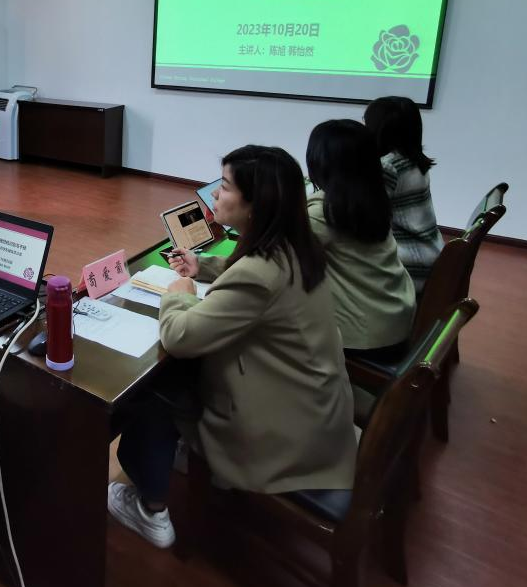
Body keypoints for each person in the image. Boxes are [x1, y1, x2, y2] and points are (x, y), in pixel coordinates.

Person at [108, 146, 356, 549]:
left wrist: (179, 292)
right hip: (315, 413)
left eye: (223, 187)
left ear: (256, 205)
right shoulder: (297, 247)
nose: (214, 195)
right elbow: (250, 271)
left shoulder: (259, 275)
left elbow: (180, 336)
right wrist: (203, 266)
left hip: (280, 437)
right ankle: (172, 453)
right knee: (184, 371)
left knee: (156, 388)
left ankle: (150, 508)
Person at [305, 119, 416, 353]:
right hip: (395, 317)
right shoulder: (370, 197)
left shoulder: (326, 210)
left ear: (318, 163)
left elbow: (270, 258)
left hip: (366, 337)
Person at [364, 96, 444, 293]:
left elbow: (365, 220)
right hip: (431, 252)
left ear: (379, 129)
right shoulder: (414, 160)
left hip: (410, 263)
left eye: (366, 122)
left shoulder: (388, 167)